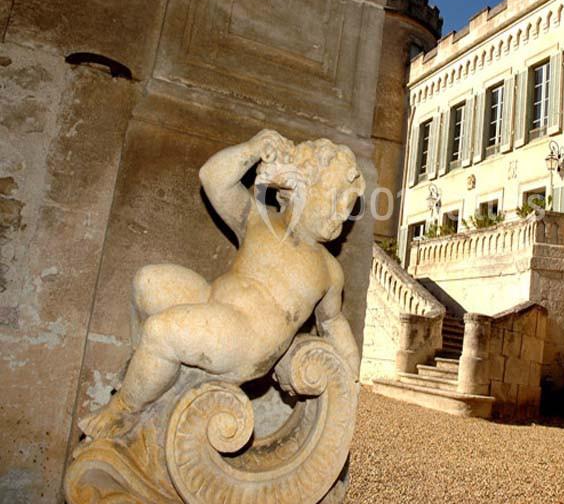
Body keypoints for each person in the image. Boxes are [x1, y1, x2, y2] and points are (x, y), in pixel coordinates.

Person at [79, 129, 365, 439]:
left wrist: (351, 381)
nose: (341, 215)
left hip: (246, 340)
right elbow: (212, 177)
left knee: (161, 331)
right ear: (298, 184)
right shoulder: (259, 219)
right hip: (213, 302)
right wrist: (253, 148)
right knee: (147, 282)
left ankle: (125, 409)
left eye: (347, 208)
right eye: (336, 200)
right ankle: (147, 374)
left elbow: (333, 323)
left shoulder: (328, 269)